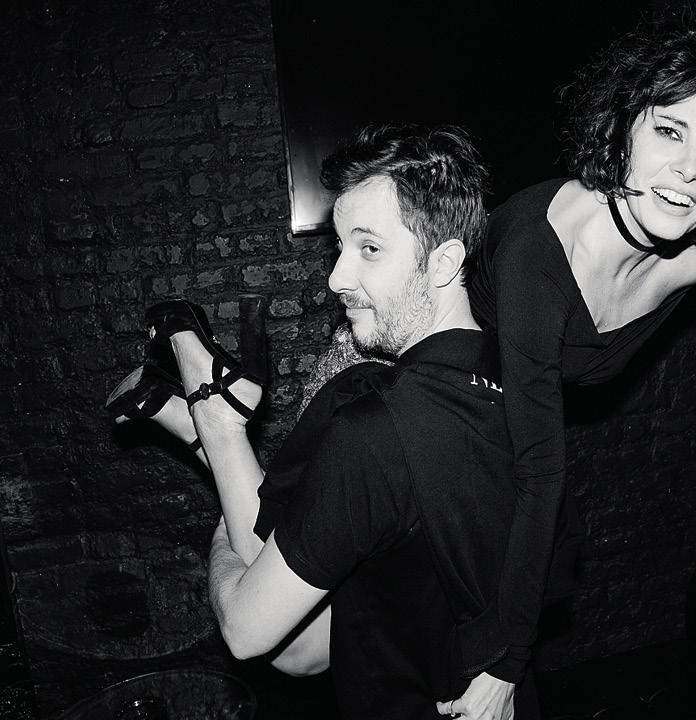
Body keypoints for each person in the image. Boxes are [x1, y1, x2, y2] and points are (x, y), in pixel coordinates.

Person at [107, 123, 538, 718]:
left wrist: (223, 536)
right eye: (340, 247)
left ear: (444, 262)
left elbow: (244, 631)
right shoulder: (524, 384)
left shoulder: (375, 431)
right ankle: (211, 428)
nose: (336, 278)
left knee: (275, 618)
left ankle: (215, 424)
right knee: (302, 651)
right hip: (468, 670)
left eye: (369, 248)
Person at [452, 13, 696, 714]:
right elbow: (540, 463)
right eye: (669, 131)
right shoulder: (538, 253)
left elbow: (551, 412)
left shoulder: (687, 266)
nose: (689, 170)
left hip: (504, 453)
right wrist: (504, 663)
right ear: (622, 129)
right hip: (423, 418)